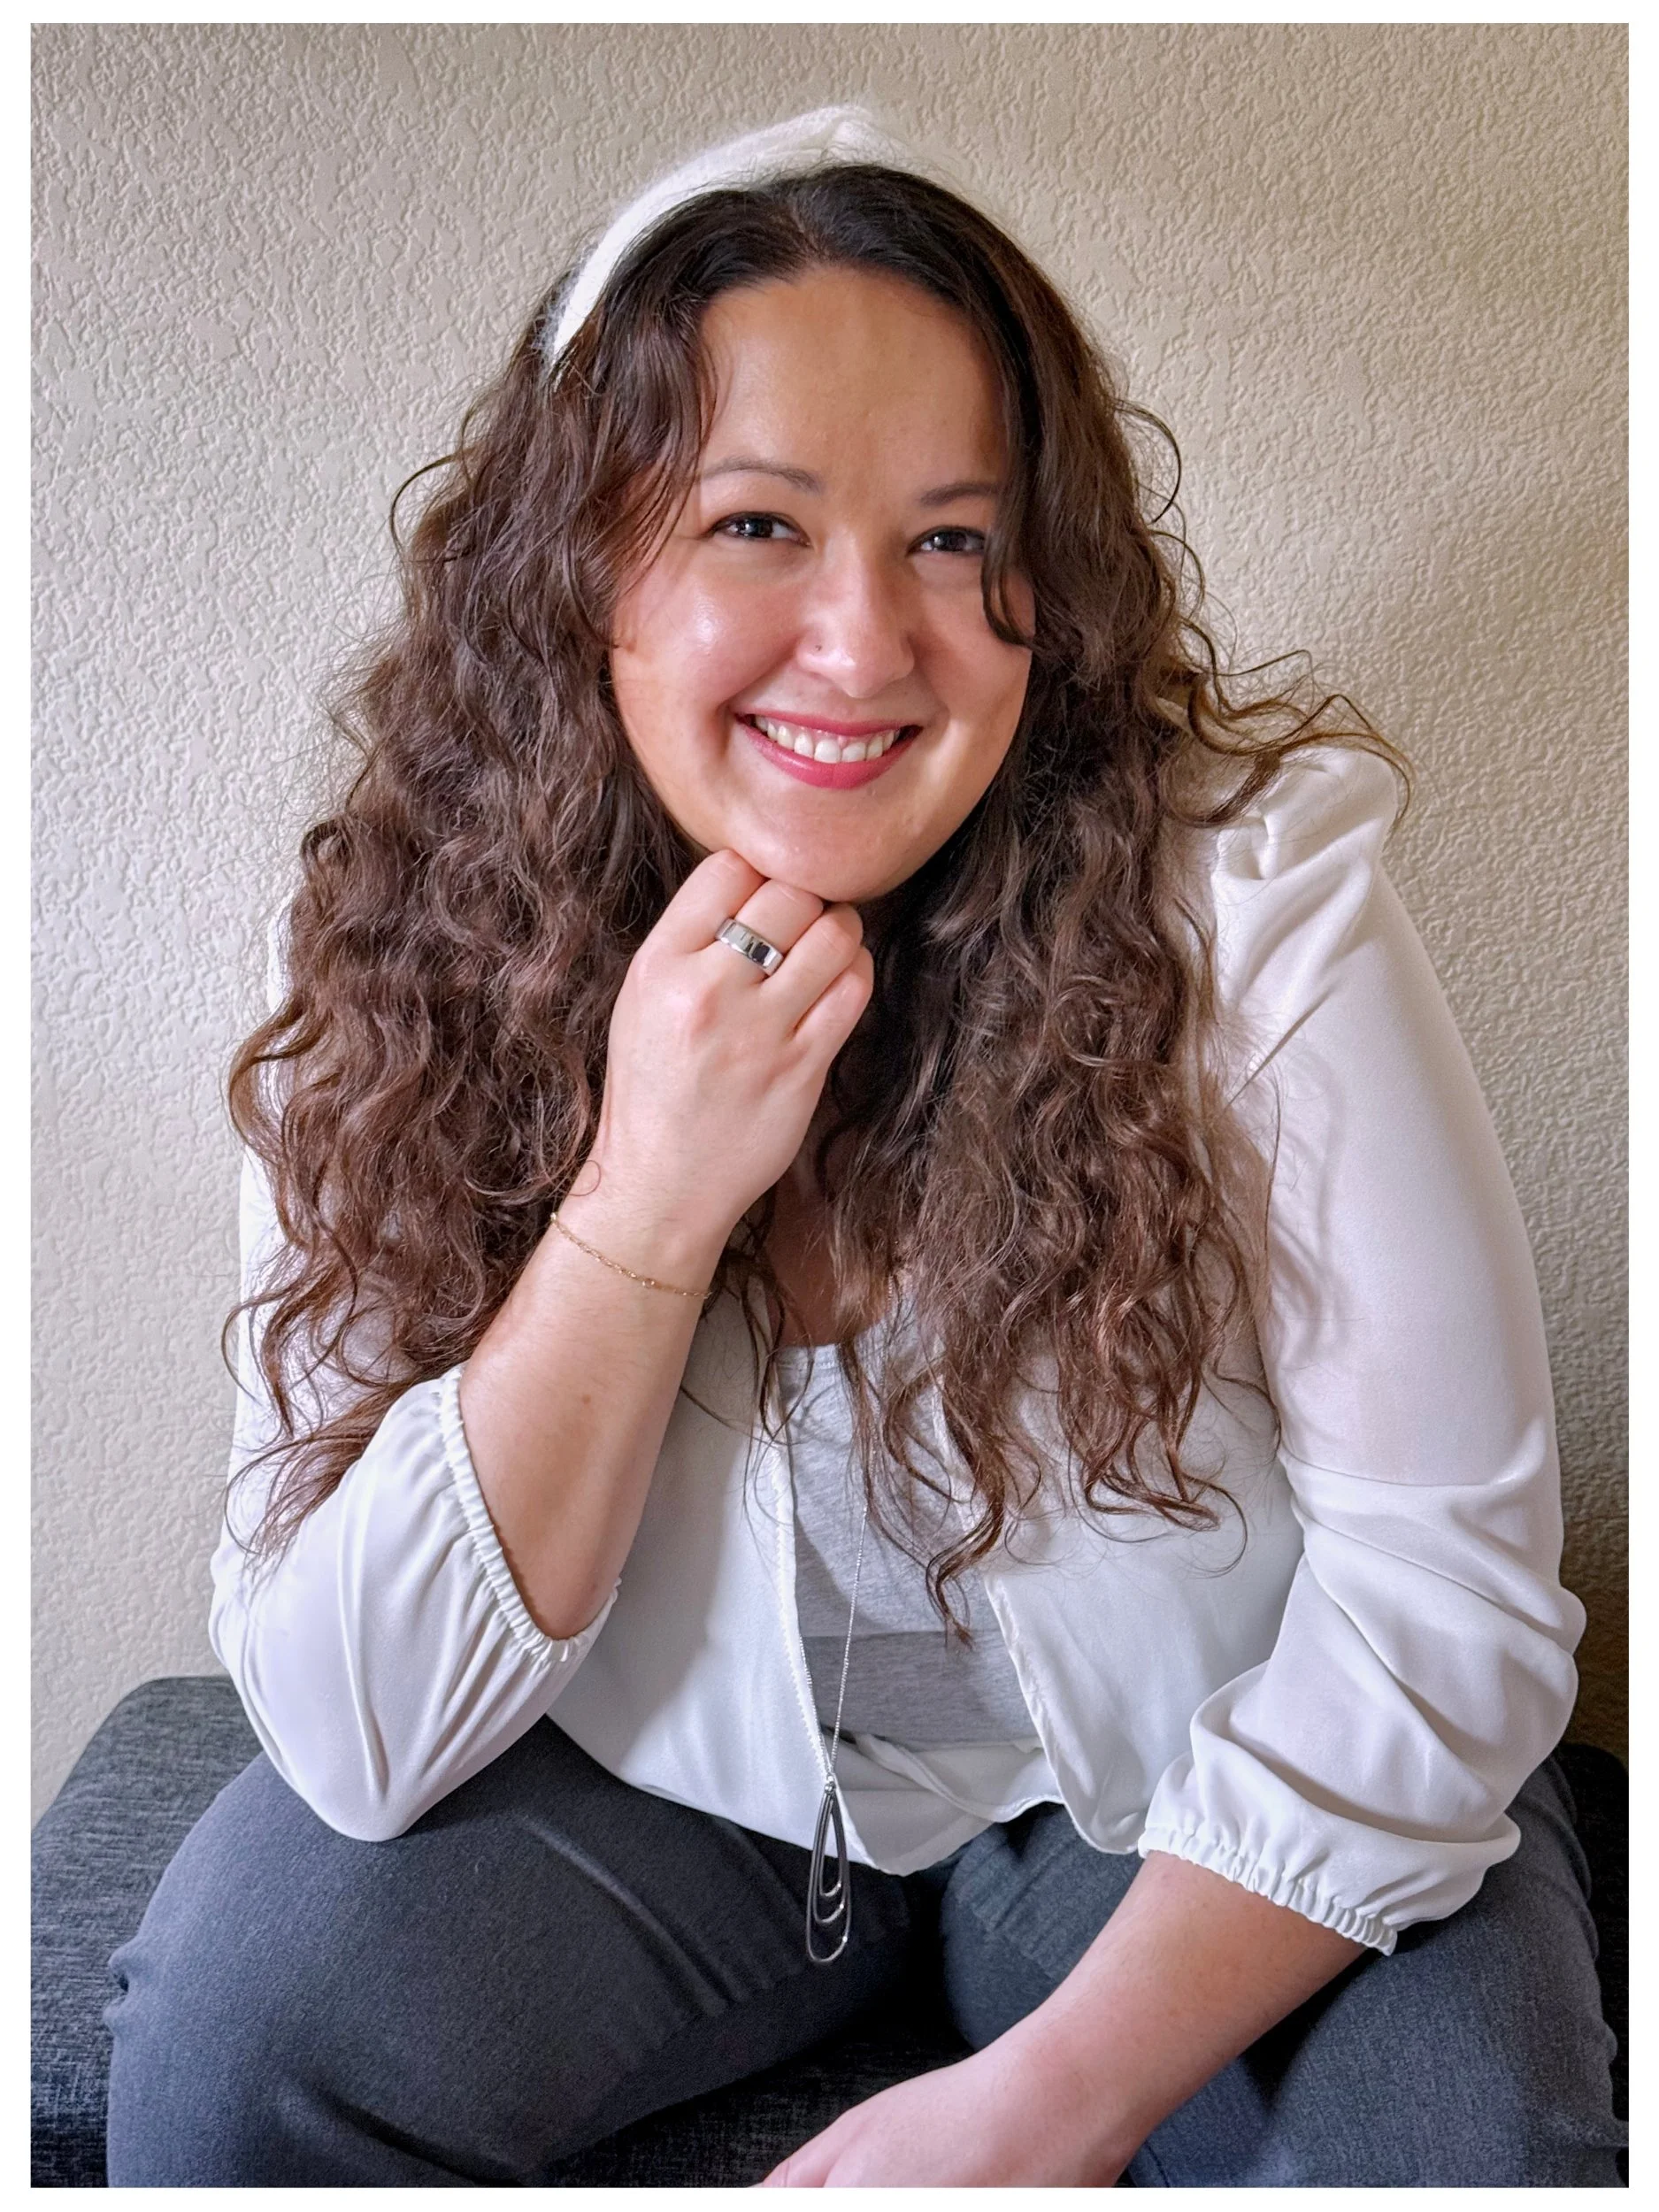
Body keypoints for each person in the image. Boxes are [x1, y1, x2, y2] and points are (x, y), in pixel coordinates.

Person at [103, 109, 1623, 2186]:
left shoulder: (1250, 895)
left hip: (1190, 1780)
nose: (863, 642)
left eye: (949, 540)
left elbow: (1448, 1598)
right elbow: (358, 1730)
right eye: (755, 526)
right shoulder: (397, 937)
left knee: (1465, 2143)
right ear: (584, 567)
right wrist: (645, 1201)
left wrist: (1043, 2105)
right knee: (234, 2041)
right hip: (673, 1793)